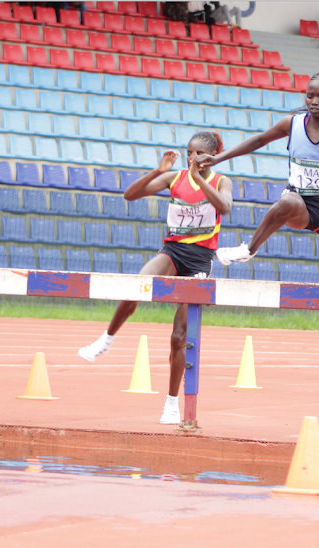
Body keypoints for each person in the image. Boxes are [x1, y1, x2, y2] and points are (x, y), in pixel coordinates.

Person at [199, 71, 319, 332]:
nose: (313, 101)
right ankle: (248, 249)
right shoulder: (293, 123)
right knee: (287, 202)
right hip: (300, 204)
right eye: (310, 95)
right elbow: (259, 139)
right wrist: (219, 159)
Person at [77, 133, 234, 426]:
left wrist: (199, 179)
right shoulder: (175, 178)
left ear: (211, 156)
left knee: (179, 336)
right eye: (189, 152)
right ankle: (107, 339)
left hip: (199, 260)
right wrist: (159, 171)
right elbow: (130, 195)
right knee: (138, 283)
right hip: (173, 251)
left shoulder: (221, 181)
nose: (192, 158)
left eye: (199, 153)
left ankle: (172, 404)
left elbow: (224, 208)